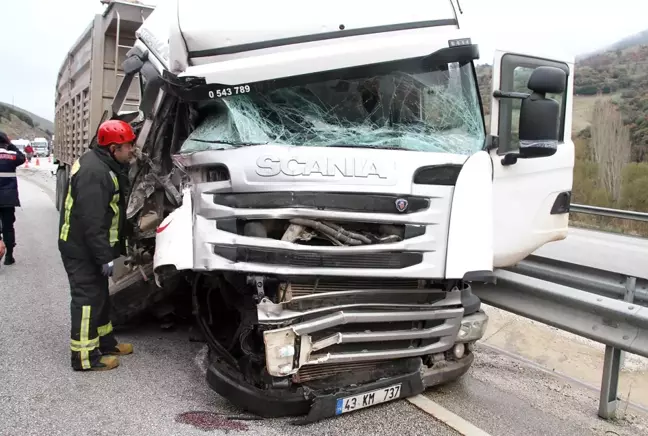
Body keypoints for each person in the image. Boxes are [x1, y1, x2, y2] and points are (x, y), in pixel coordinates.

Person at [58, 119, 136, 371]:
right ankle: (84, 358)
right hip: (81, 249)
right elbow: (92, 222)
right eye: (128, 146)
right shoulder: (95, 173)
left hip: (90, 247)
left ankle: (105, 342)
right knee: (86, 299)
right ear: (113, 148)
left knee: (100, 296)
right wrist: (104, 257)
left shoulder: (103, 163)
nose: (132, 150)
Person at [0, 131, 26, 265]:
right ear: (6, 142)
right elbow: (23, 157)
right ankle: (9, 256)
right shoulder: (11, 156)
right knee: (8, 227)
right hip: (8, 199)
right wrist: (11, 145)